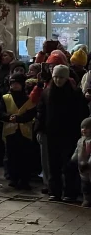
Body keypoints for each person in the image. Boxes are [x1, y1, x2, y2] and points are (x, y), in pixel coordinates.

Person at [36, 64, 89, 202]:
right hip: (51, 133)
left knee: (68, 164)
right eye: (55, 77)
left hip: (69, 134)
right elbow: (41, 112)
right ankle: (55, 191)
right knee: (53, 164)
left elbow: (82, 113)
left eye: (61, 77)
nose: (58, 80)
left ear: (66, 78)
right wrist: (39, 129)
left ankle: (70, 192)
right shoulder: (47, 93)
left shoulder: (75, 93)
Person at [0, 73, 37, 190]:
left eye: (17, 83)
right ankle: (13, 178)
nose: (14, 86)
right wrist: (8, 117)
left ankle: (24, 179)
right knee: (11, 156)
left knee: (25, 157)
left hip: (25, 133)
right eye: (12, 83)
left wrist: (19, 119)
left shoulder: (29, 99)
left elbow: (31, 114)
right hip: (10, 132)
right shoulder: (5, 98)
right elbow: (0, 112)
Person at [71, 117, 91, 207]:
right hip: (82, 167)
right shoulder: (80, 141)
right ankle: (87, 199)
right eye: (82, 128)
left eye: (87, 128)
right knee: (85, 185)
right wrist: (73, 159)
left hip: (88, 166)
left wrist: (88, 164)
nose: (84, 130)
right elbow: (77, 151)